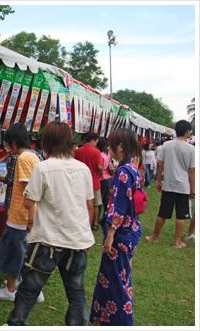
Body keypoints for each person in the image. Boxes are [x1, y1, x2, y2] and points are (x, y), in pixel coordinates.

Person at [6, 121, 94, 326]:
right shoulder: (83, 169)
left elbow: (29, 201)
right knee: (76, 291)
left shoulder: (43, 168)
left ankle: (16, 323)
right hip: (78, 241)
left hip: (48, 240)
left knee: (29, 289)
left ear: (46, 142)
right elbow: (89, 206)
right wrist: (86, 234)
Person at [90, 128, 143, 326]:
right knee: (115, 279)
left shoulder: (123, 172)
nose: (109, 147)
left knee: (116, 284)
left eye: (112, 143)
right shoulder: (132, 169)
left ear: (120, 145)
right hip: (130, 230)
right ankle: (104, 318)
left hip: (119, 234)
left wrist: (110, 234)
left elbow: (118, 206)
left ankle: (120, 321)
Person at [0, 123, 42, 302]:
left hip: (20, 216)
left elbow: (28, 190)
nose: (9, 148)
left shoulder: (23, 158)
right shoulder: (34, 156)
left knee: (14, 254)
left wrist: (30, 219)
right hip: (26, 216)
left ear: (15, 142)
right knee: (27, 255)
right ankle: (33, 289)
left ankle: (10, 289)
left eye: (9, 143)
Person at [146, 120, 195, 248]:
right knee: (181, 215)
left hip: (168, 184)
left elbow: (160, 164)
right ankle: (177, 242)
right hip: (183, 186)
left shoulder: (166, 145)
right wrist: (192, 188)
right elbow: (191, 171)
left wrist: (158, 181)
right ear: (187, 131)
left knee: (163, 212)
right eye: (190, 130)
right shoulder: (191, 148)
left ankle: (154, 237)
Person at [75, 132, 104, 230]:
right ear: (92, 140)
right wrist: (101, 174)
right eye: (96, 141)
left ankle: (81, 222)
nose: (96, 143)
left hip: (80, 181)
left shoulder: (78, 151)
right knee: (95, 204)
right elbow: (100, 167)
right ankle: (94, 223)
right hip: (94, 181)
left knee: (81, 203)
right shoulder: (97, 152)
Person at [98, 138, 115, 227]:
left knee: (99, 200)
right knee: (107, 201)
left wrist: (100, 175)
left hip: (102, 179)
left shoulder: (100, 155)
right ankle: (105, 218)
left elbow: (100, 167)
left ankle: (96, 219)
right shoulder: (107, 154)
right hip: (109, 178)